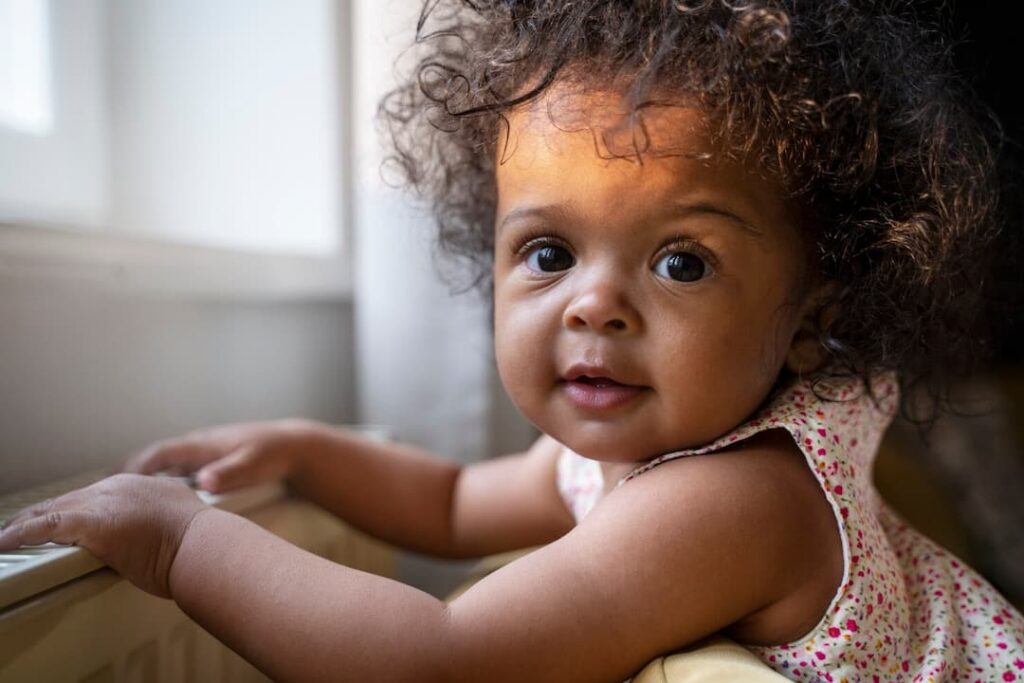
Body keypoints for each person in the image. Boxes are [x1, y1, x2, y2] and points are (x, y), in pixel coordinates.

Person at [2, 1, 1022, 680]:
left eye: (681, 262)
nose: (594, 305)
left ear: (807, 321)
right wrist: (306, 452)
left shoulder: (739, 498)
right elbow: (450, 501)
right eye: (547, 252)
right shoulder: (620, 459)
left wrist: (183, 543)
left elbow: (440, 659)